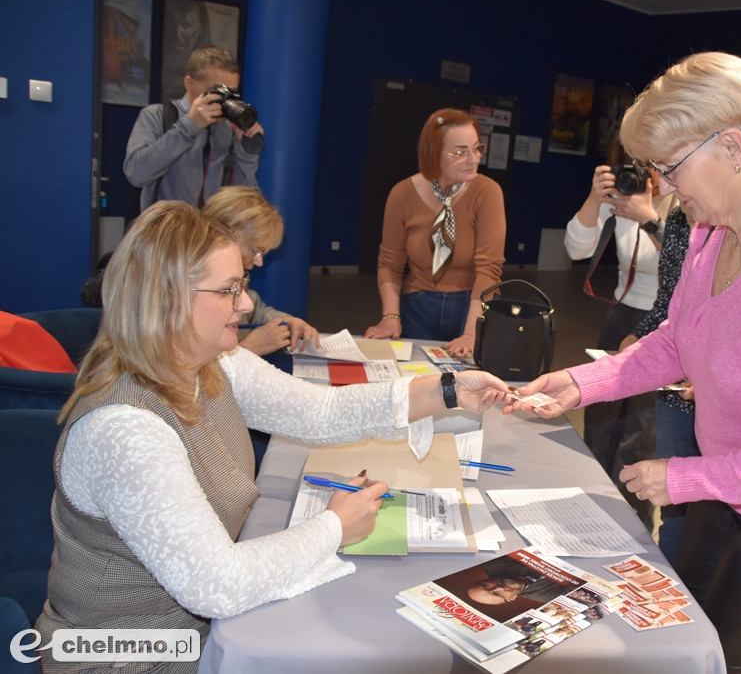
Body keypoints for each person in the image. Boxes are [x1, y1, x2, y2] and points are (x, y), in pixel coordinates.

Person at [506, 52, 741, 674]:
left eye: (670, 169)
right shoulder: (711, 229)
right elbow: (679, 339)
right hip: (726, 479)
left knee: (722, 655)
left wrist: (684, 480)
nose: (666, 188)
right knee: (686, 625)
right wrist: (578, 382)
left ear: (732, 145)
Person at [35, 202, 511, 671]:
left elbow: (319, 412)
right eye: (229, 290)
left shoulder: (210, 360)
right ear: (170, 299)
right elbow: (216, 585)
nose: (246, 304)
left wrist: (446, 390)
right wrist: (334, 528)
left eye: (241, 286)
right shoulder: (126, 428)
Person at [563, 142, 675, 529]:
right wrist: (595, 198)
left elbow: (692, 266)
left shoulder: (684, 203)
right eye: (638, 165)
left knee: (641, 439)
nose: (647, 175)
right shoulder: (624, 199)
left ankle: (632, 529)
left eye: (655, 165)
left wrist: (650, 218)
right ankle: (589, 516)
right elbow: (576, 249)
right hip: (621, 319)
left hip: (667, 325)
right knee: (601, 425)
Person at [363, 108, 506, 357]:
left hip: (472, 306)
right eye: (460, 152)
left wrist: (472, 333)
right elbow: (389, 263)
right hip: (417, 306)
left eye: (476, 148)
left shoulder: (487, 192)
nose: (473, 159)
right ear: (432, 154)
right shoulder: (402, 194)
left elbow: (489, 269)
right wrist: (390, 316)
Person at [616, 205, 696, 561]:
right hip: (677, 396)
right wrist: (640, 335)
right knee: (676, 508)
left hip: (730, 400)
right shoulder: (680, 220)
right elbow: (668, 304)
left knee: (720, 516)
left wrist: (711, 373)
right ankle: (678, 591)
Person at [125, 46, 264, 212]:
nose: (224, 100)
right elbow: (136, 174)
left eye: (231, 93)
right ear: (189, 84)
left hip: (211, 234)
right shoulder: (157, 116)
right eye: (218, 91)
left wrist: (246, 152)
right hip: (165, 234)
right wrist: (189, 126)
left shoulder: (229, 128)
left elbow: (244, 198)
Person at [202, 186, 319, 355]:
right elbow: (188, 373)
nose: (259, 262)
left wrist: (286, 322)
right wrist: (249, 348)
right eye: (256, 250)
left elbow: (255, 310)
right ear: (225, 237)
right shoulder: (189, 293)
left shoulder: (234, 283)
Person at [464, 556, 570, 606]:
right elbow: (580, 584)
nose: (498, 588)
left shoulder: (494, 562)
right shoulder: (544, 596)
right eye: (498, 594)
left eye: (486, 586)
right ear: (511, 599)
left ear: (484, 580)